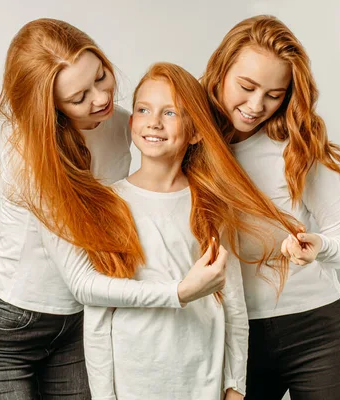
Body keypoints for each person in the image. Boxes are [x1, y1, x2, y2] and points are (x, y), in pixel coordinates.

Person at [0, 19, 228, 399]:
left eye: (100, 76)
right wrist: (179, 292)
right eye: (79, 98)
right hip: (8, 330)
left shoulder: (121, 125)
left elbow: (180, 149)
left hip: (80, 325)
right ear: (49, 108)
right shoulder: (29, 155)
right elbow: (82, 281)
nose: (100, 98)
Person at [83, 62, 302, 400]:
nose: (154, 121)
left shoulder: (210, 204)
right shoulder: (109, 203)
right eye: (144, 109)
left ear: (196, 131)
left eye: (170, 112)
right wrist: (102, 396)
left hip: (202, 379)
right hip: (132, 382)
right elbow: (98, 312)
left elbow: (233, 303)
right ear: (131, 124)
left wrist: (235, 386)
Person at [202, 15, 340, 400]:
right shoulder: (190, 140)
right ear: (220, 70)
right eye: (246, 87)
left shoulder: (298, 144)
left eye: (274, 94)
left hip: (320, 336)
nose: (255, 105)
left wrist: (319, 247)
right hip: (234, 340)